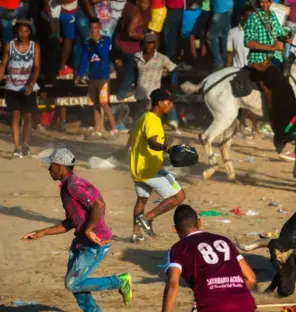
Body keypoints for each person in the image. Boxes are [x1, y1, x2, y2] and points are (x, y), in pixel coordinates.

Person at [23, 148, 133, 310]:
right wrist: (42, 233)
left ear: (60, 166)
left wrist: (89, 230)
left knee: (73, 283)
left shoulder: (72, 185)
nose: (49, 169)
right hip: (81, 242)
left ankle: (120, 280)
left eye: (51, 165)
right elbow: (71, 222)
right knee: (76, 283)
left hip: (94, 242)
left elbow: (98, 205)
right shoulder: (69, 184)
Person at [162, 204, 257, 312]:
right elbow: (251, 278)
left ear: (175, 229)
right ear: (199, 222)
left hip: (210, 306)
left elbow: (172, 284)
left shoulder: (177, 249)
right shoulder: (225, 241)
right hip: (245, 304)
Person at [129, 88, 186, 243]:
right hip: (149, 170)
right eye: (168, 102)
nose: (171, 105)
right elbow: (152, 141)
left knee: (142, 199)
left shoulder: (144, 117)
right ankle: (147, 219)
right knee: (179, 196)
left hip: (138, 168)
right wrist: (165, 147)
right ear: (159, 103)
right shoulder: (153, 120)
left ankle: (136, 233)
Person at [0, 21, 40, 158]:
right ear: (16, 32)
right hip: (12, 86)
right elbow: (3, 64)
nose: (23, 34)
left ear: (30, 32)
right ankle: (17, 147)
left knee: (28, 117)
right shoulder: (9, 46)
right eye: (20, 31)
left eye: (26, 31)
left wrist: (31, 84)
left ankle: (25, 144)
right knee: (15, 116)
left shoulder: (35, 47)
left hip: (28, 86)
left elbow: (37, 67)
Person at [76, 18, 118, 139]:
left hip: (103, 77)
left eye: (95, 27)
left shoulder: (106, 40)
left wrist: (97, 42)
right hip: (92, 77)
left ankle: (114, 128)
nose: (93, 30)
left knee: (104, 103)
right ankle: (98, 130)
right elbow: (84, 60)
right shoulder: (88, 43)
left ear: (99, 27)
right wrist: (79, 74)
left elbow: (104, 55)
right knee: (95, 105)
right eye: (91, 28)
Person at [133, 33, 180, 129]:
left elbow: (174, 68)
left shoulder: (161, 58)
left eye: (151, 43)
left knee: (163, 104)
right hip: (141, 92)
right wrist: (133, 82)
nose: (148, 45)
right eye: (146, 43)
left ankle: (172, 120)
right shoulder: (136, 57)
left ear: (155, 44)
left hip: (155, 91)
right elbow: (133, 70)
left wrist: (173, 81)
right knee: (143, 119)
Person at [244, 0, 288, 67]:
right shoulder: (254, 17)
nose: (265, 4)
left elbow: (280, 33)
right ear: (258, 2)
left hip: (275, 59)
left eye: (267, 1)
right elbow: (248, 42)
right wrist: (271, 48)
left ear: (271, 2)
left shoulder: (273, 15)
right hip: (259, 61)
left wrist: (287, 37)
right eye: (262, 2)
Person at [57, 0, 80, 77]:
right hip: (68, 14)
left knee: (67, 40)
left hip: (72, 12)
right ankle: (61, 67)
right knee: (68, 41)